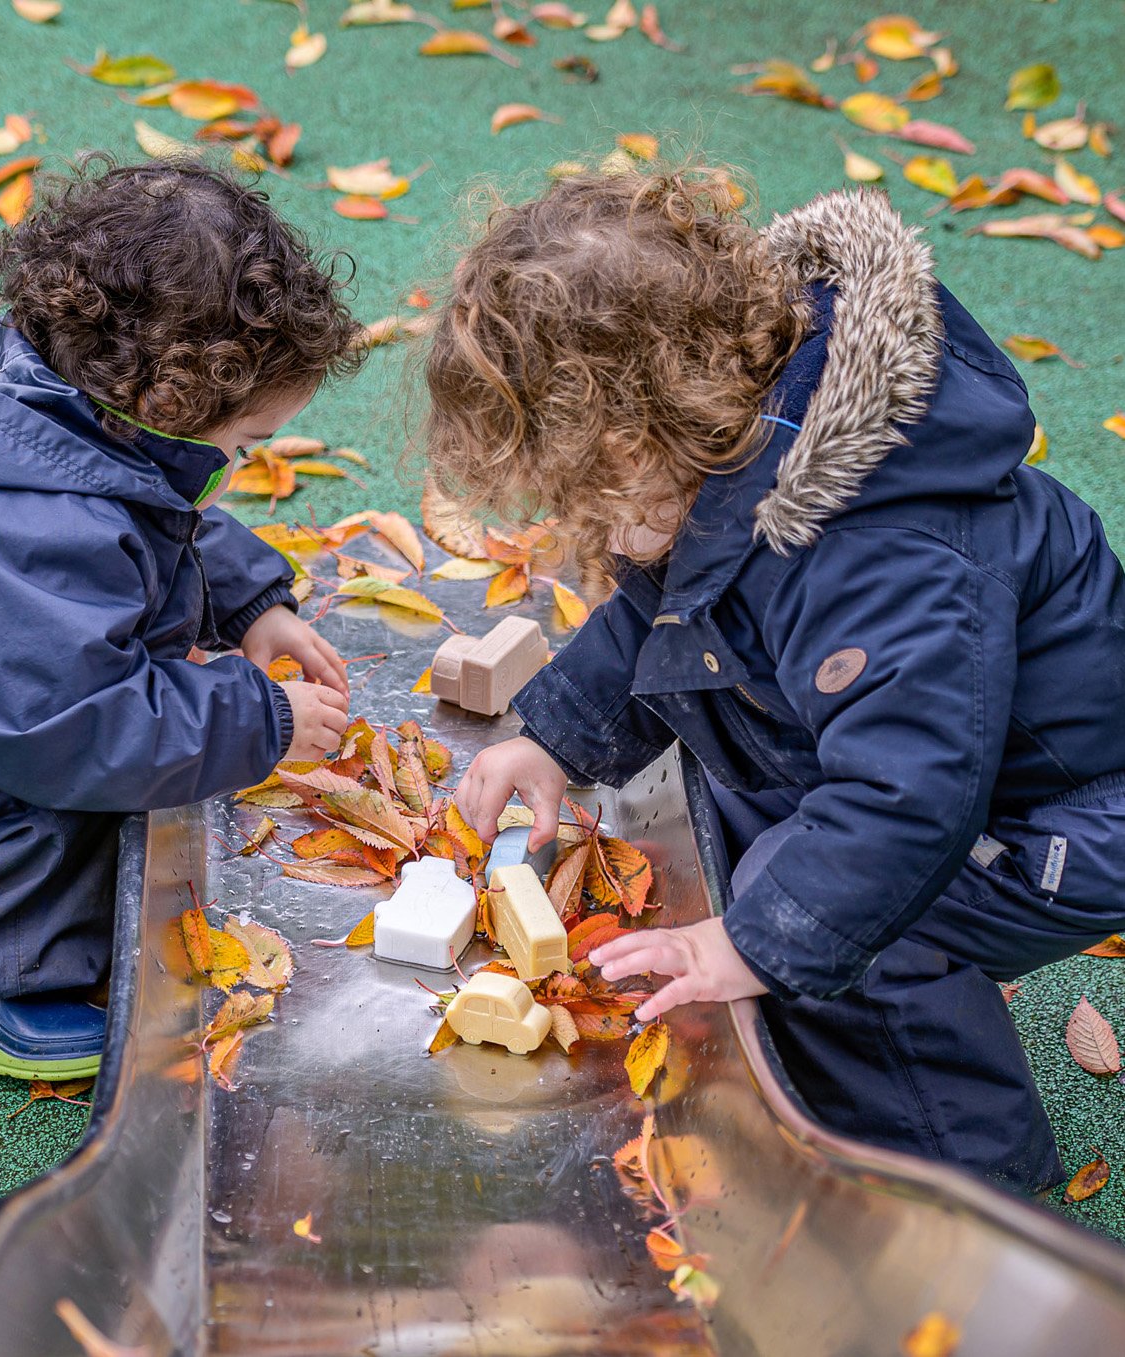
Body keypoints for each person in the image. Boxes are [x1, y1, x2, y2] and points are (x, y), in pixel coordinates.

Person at [436, 162, 1125, 1193]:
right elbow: (656, 613)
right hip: (949, 764)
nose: (575, 517)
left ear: (635, 435)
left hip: (1067, 812)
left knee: (852, 933)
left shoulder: (873, 545)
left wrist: (757, 944)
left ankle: (955, 1185)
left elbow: (909, 803)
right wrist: (551, 735)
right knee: (774, 845)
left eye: (578, 488)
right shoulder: (732, 449)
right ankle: (834, 1048)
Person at [0, 155, 354, 1078]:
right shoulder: (35, 535)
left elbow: (145, 502)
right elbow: (85, 727)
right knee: (75, 783)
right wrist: (261, 720)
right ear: (167, 405)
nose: (240, 464)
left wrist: (246, 599)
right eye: (243, 444)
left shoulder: (22, 389)